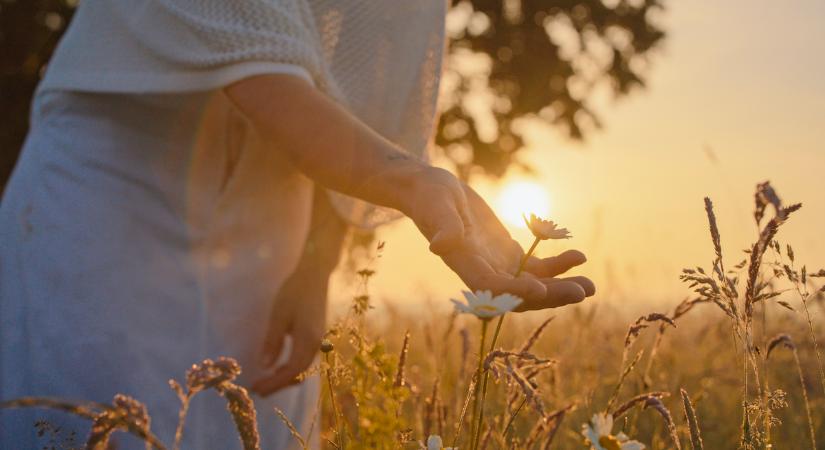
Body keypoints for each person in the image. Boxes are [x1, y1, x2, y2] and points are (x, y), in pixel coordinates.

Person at [0, 0, 595, 448]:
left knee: (249, 423)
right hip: (114, 184)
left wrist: (316, 262)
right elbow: (259, 66)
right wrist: (415, 181)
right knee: (84, 418)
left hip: (276, 210)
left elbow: (373, 92)